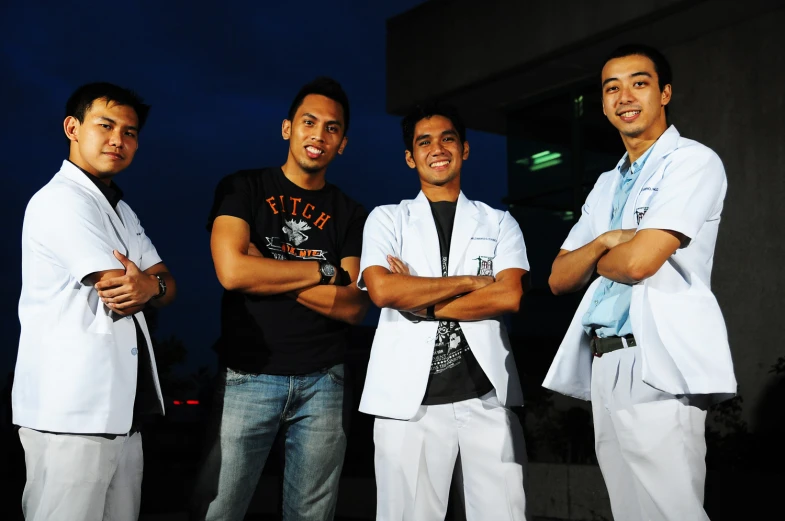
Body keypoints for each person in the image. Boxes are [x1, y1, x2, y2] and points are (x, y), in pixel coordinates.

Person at [544, 44, 736, 520]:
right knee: (629, 512)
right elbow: (558, 277)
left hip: (657, 360)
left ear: (665, 92)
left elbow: (640, 263)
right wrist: (609, 240)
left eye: (639, 82)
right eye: (612, 88)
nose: (624, 96)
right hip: (606, 359)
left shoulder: (693, 161)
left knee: (674, 511)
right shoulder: (607, 183)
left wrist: (598, 255)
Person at [190, 77, 369, 521]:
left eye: (332, 128)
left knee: (310, 515)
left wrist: (266, 267)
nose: (319, 135)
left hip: (324, 382)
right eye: (309, 122)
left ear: (342, 144)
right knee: (219, 510)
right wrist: (326, 271)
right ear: (287, 128)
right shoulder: (243, 188)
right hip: (247, 375)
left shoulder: (352, 213)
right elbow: (232, 272)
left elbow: (352, 306)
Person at [358, 102, 529, 521]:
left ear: (465, 149)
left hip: (485, 397)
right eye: (424, 142)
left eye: (448, 138)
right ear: (410, 156)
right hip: (408, 403)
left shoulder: (499, 222)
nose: (438, 148)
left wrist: (416, 298)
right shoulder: (387, 219)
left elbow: (508, 297)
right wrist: (471, 282)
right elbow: (382, 289)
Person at [13, 82, 177, 520]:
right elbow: (119, 287)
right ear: (72, 127)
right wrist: (146, 284)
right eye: (105, 126)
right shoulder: (58, 201)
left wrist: (152, 285)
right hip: (71, 407)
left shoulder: (122, 211)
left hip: (121, 411)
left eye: (130, 132)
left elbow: (164, 284)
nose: (118, 140)